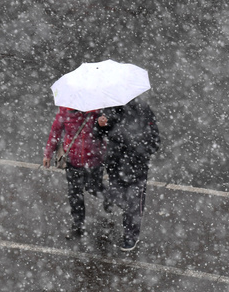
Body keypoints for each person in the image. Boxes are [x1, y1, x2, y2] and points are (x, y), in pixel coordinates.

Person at [96, 97, 160, 251]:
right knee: (119, 195)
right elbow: (99, 134)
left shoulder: (143, 109)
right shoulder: (109, 109)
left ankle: (131, 235)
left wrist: (142, 151)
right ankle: (125, 221)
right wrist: (99, 125)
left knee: (134, 201)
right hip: (115, 164)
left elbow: (155, 138)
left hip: (136, 166)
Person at [43, 107, 109, 239]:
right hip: (73, 160)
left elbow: (107, 132)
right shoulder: (65, 110)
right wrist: (48, 154)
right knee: (74, 192)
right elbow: (55, 131)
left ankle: (108, 197)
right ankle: (78, 225)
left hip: (95, 159)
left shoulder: (98, 109)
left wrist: (104, 125)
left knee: (93, 187)